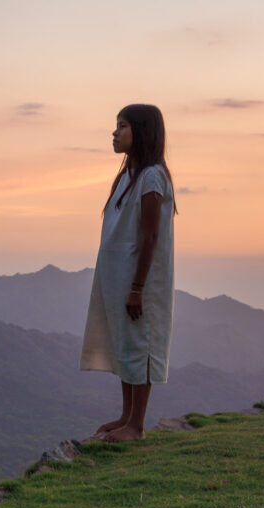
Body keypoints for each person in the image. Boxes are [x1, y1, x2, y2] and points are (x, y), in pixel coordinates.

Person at [80, 103, 176, 441]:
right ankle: (126, 415)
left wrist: (137, 287)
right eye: (116, 125)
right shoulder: (127, 176)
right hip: (119, 278)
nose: (115, 132)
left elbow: (150, 235)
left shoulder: (152, 176)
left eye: (122, 126)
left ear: (143, 132)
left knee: (140, 343)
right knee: (124, 344)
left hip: (140, 280)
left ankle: (137, 425)